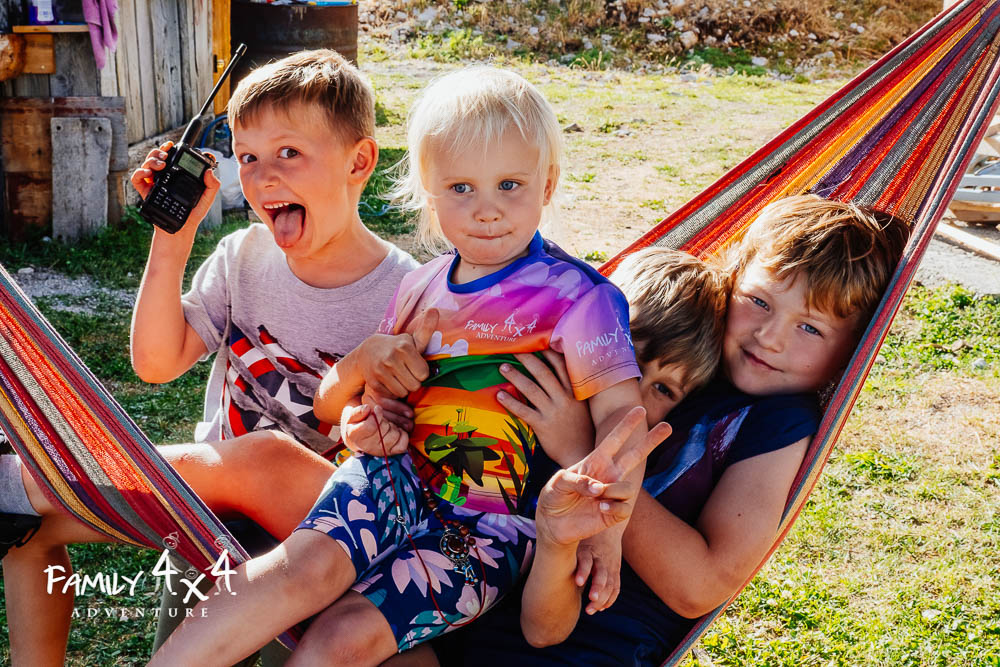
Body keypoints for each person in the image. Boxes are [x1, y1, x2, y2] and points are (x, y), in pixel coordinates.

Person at [148, 65, 654, 666]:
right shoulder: (418, 288)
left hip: (486, 526)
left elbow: (623, 419)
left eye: (509, 185)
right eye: (461, 188)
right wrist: (369, 420)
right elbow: (361, 401)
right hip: (387, 480)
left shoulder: (579, 298)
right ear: (429, 191)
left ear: (547, 184)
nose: (486, 210)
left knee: (344, 638)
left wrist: (610, 529)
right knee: (300, 569)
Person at [0, 48, 417, 667]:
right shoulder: (242, 257)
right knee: (22, 526)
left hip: (325, 528)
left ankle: (26, 477)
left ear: (359, 162)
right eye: (247, 157)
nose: (264, 177)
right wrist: (174, 236)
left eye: (289, 153)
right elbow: (156, 362)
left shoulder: (405, 294)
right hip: (206, 516)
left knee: (262, 459)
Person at [426, 194, 911, 665]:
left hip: (593, 642)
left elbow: (700, 586)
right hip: (462, 589)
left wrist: (584, 451)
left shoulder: (778, 420)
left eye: (810, 328)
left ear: (853, 350)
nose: (770, 338)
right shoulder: (670, 338)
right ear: (732, 280)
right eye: (759, 301)